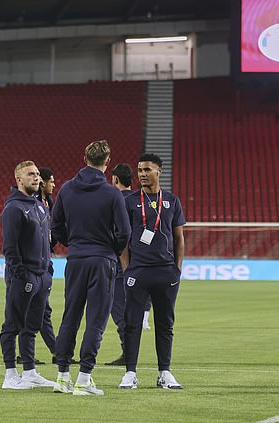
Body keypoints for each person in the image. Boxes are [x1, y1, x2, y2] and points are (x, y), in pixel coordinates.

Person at [51, 140, 131, 396]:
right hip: (102, 261)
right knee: (96, 320)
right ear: (107, 163)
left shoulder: (66, 189)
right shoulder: (111, 193)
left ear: (84, 158)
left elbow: (56, 226)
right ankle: (84, 379)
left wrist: (71, 243)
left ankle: (62, 376)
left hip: (75, 259)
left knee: (70, 316)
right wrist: (112, 250)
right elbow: (125, 232)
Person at [118, 153, 186, 390]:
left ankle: (164, 373)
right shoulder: (129, 202)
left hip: (166, 273)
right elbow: (122, 240)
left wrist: (177, 270)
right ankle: (130, 373)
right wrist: (127, 270)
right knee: (132, 323)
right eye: (139, 170)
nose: (142, 174)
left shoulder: (172, 201)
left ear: (159, 171)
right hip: (138, 272)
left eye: (147, 170)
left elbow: (179, 238)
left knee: (165, 323)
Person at [0, 160, 57, 390]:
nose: (37, 178)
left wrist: (48, 270)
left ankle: (30, 371)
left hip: (42, 276)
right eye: (31, 174)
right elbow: (10, 248)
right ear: (18, 180)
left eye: (37, 174)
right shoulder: (14, 208)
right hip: (25, 277)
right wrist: (21, 275)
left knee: (32, 326)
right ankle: (10, 375)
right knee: (12, 324)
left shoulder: (39, 205)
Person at [16, 167, 77, 366]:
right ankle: (53, 352)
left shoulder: (47, 203)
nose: (54, 184)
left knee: (41, 310)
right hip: (31, 266)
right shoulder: (30, 204)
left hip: (45, 262)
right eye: (51, 181)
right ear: (42, 182)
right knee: (35, 310)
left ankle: (52, 351)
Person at [105, 163, 135, 366]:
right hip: (138, 264)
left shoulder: (115, 201)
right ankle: (129, 353)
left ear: (115, 179)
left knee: (119, 311)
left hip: (117, 264)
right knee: (126, 310)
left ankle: (129, 354)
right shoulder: (139, 200)